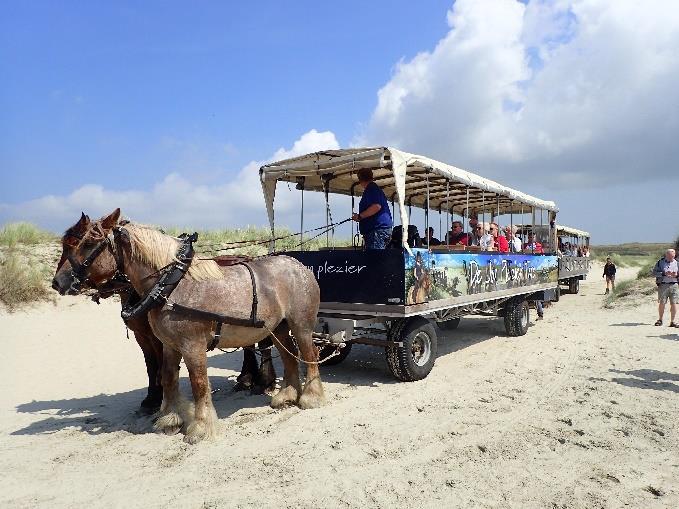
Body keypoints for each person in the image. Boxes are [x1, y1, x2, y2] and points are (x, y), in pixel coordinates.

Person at [352, 168, 393, 249]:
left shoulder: (371, 188)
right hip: (380, 230)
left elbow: (376, 206)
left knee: (374, 259)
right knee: (377, 258)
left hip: (377, 230)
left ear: (360, 179)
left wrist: (360, 216)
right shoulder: (374, 189)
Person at [652, 249, 679, 327]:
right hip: (663, 285)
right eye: (670, 256)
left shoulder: (677, 263)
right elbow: (654, 273)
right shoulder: (660, 262)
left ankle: (672, 321)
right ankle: (660, 319)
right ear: (666, 255)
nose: (671, 258)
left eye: (673, 256)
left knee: (674, 303)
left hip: (674, 285)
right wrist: (664, 273)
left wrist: (676, 275)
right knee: (662, 303)